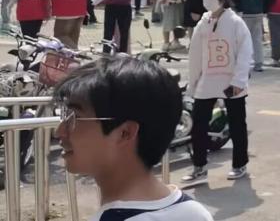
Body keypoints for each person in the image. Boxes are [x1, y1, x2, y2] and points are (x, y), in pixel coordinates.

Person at [54, 55, 213, 221]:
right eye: (64, 115)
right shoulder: (195, 213)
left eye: (74, 117)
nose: (59, 131)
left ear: (125, 133)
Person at [182, 0, 252, 183]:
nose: (207, 0)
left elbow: (245, 53)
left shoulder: (236, 22)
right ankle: (199, 166)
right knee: (199, 124)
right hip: (208, 80)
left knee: (237, 124)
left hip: (231, 82)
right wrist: (193, 82)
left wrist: (239, 81)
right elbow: (195, 54)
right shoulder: (203, 23)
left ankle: (239, 164)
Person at [230, 0, 267, 72]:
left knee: (241, 39)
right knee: (257, 39)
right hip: (258, 12)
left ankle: (241, 63)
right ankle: (259, 63)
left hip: (245, 12)